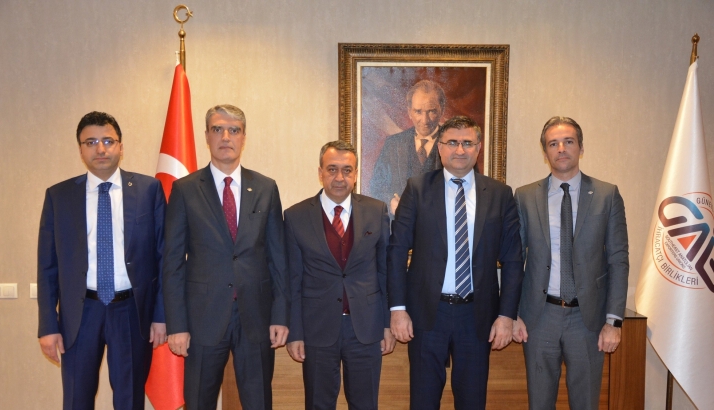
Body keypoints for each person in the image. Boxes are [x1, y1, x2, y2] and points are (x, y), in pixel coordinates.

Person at [387, 115, 523, 409]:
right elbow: (396, 251)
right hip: (426, 314)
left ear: (478, 148)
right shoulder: (417, 188)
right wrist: (397, 310)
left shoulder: (499, 194)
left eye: (467, 143)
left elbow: (513, 259)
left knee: (472, 401)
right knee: (423, 401)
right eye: (452, 142)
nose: (460, 149)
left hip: (477, 316)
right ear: (440, 147)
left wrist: (506, 316)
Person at [37, 111, 167, 410]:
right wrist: (48, 325)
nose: (100, 148)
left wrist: (161, 316)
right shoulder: (59, 196)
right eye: (91, 142)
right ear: (81, 149)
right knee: (77, 398)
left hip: (132, 312)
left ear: (121, 146)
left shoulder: (149, 190)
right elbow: (47, 267)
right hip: (81, 313)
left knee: (130, 399)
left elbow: (164, 258)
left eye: (108, 141)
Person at [162, 104, 289, 409]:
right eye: (217, 129)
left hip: (256, 318)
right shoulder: (185, 190)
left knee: (259, 402)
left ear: (243, 137)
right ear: (206, 136)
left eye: (234, 130)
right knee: (198, 402)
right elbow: (172, 263)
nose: (226, 137)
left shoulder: (266, 188)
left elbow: (278, 260)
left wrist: (280, 316)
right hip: (203, 319)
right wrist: (176, 325)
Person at [512, 116, 629, 410]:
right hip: (539, 318)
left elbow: (618, 260)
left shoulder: (606, 195)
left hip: (588, 320)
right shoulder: (525, 196)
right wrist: (513, 313)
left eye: (568, 142)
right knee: (539, 403)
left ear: (581, 147)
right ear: (545, 152)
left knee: (585, 403)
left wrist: (613, 321)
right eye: (553, 144)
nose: (561, 149)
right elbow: (514, 259)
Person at [284, 140, 395, 409]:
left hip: (366, 328)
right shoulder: (296, 216)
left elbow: (385, 273)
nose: (339, 177)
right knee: (318, 403)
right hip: (317, 328)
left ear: (355, 174)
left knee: (365, 404)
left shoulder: (376, 211)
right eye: (332, 169)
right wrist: (295, 333)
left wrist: (387, 324)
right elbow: (292, 280)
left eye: (347, 170)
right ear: (320, 172)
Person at [369, 79, 445, 216]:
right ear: (409, 112)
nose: (425, 120)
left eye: (431, 111)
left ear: (441, 110)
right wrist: (391, 202)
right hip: (401, 226)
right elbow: (376, 186)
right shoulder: (393, 144)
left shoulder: (455, 145)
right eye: (418, 111)